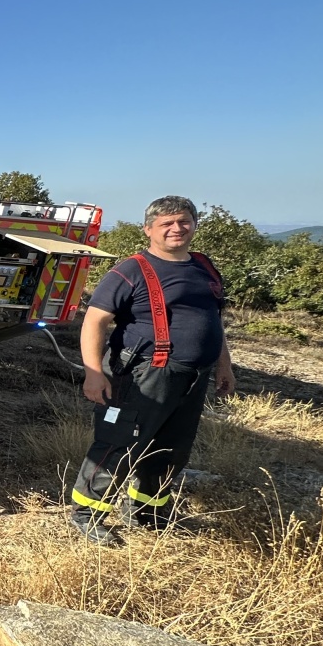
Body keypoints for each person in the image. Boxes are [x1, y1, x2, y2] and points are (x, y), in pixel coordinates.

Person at [69, 196, 236, 545]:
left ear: (194, 224)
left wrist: (224, 365)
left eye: (184, 221)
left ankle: (147, 512)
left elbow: (214, 320)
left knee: (172, 448)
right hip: (144, 374)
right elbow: (94, 322)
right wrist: (93, 373)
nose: (177, 228)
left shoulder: (203, 266)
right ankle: (87, 514)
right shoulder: (130, 270)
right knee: (119, 444)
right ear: (148, 229)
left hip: (193, 376)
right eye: (167, 223)